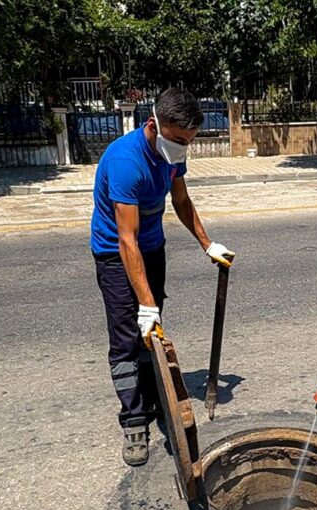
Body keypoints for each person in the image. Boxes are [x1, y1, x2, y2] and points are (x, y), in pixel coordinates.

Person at [91, 88, 234, 467]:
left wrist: (207, 244)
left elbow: (182, 201)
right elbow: (126, 240)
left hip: (152, 247)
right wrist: (145, 301)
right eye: (179, 140)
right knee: (127, 334)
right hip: (115, 253)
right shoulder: (126, 162)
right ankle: (134, 420)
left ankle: (155, 399)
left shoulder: (173, 155)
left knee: (151, 329)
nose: (184, 149)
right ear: (154, 125)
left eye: (190, 141)